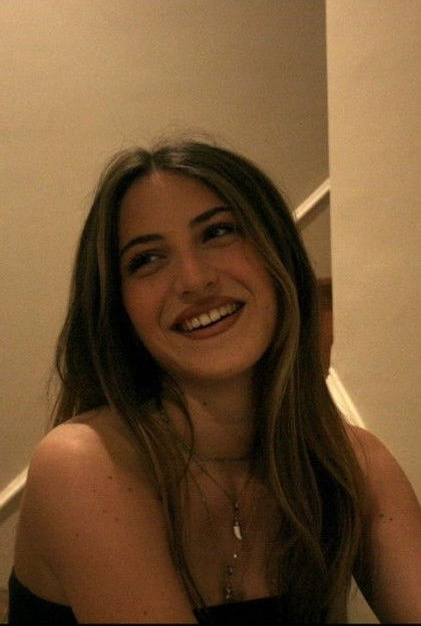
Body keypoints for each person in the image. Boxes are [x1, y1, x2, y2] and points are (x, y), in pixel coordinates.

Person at [8, 140, 421, 624]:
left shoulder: (353, 462)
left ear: (278, 254)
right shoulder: (83, 463)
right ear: (118, 309)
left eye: (219, 232)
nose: (193, 279)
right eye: (147, 259)